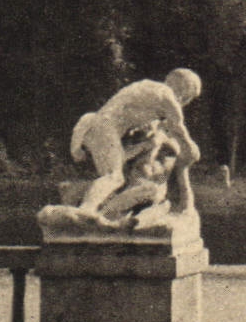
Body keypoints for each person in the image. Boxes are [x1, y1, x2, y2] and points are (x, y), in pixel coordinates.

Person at [70, 68, 202, 218]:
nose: (185, 102)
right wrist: (190, 146)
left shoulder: (148, 88)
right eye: (189, 97)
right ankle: (86, 210)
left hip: (95, 125)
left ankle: (97, 211)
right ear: (184, 90)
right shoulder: (168, 97)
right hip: (106, 128)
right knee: (114, 176)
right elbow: (178, 127)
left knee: (111, 177)